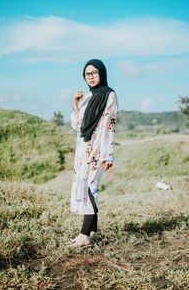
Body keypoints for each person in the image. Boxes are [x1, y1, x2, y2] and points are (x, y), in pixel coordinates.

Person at [70, 59, 118, 247]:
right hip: (83, 148)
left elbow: (109, 125)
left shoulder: (109, 95)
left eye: (94, 73)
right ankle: (93, 230)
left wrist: (108, 154)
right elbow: (77, 125)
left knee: (90, 187)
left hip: (98, 149)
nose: (90, 76)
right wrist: (76, 103)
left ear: (102, 74)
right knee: (84, 185)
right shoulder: (88, 98)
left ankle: (84, 236)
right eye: (87, 74)